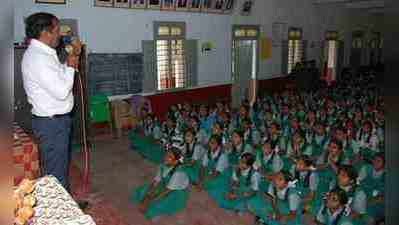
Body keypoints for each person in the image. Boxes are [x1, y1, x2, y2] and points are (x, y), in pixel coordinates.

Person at [22, 12, 79, 190]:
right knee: (56, 172)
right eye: (56, 30)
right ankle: (60, 214)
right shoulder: (38, 58)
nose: (59, 34)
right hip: (52, 124)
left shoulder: (45, 54)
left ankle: (66, 202)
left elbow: (58, 76)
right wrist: (71, 65)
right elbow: (62, 91)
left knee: (60, 166)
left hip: (55, 122)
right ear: (46, 32)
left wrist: (71, 59)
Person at [131, 149, 190, 220]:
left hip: (175, 193)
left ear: (176, 161)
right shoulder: (163, 165)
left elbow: (166, 192)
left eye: (169, 157)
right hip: (165, 185)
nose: (165, 158)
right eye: (166, 155)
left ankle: (157, 212)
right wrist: (147, 196)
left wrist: (149, 202)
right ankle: (147, 202)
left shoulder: (178, 173)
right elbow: (156, 182)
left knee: (156, 205)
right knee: (143, 191)